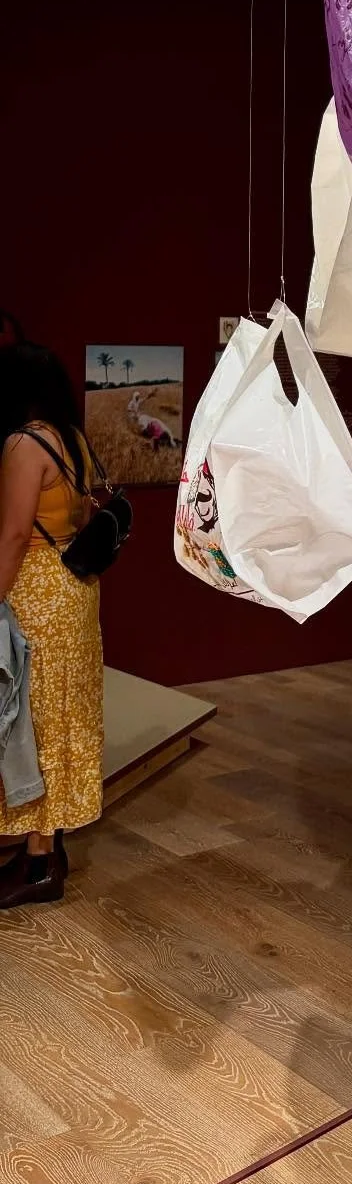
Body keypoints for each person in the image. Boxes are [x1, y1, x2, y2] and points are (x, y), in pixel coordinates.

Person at [0, 345, 104, 905]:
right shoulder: (73, 440)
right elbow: (82, 515)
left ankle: (38, 862)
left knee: (33, 720)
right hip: (75, 589)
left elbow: (16, 534)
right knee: (61, 717)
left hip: (37, 593)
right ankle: (48, 846)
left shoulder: (24, 443)